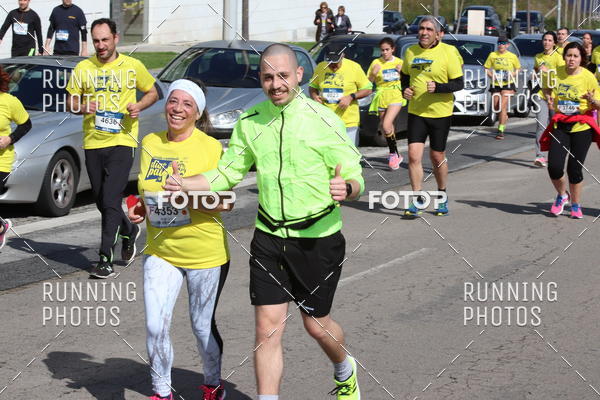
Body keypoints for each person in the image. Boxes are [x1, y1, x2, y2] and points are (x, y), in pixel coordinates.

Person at [163, 43, 365, 400]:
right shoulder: (251, 120)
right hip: (269, 238)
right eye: (268, 77)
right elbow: (228, 172)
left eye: (283, 76)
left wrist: (347, 187)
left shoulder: (325, 119)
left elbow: (354, 175)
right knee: (266, 330)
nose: (276, 84)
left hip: (317, 238)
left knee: (316, 325)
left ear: (299, 75)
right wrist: (187, 183)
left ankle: (344, 367)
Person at [127, 79, 231, 400]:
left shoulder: (211, 148)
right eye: (173, 101)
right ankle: (162, 392)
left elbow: (225, 202)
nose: (178, 109)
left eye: (187, 104)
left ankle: (212, 384)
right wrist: (138, 208)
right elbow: (147, 194)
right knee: (156, 326)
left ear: (197, 113)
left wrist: (186, 195)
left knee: (201, 327)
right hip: (161, 251)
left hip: (205, 253)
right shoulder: (150, 143)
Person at [66, 18, 158, 278]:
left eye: (105, 40)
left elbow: (152, 92)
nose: (101, 45)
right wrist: (83, 106)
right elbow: (70, 101)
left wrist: (138, 106)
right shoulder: (84, 68)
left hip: (122, 141)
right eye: (96, 41)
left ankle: (105, 259)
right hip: (93, 141)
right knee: (101, 201)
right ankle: (129, 230)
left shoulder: (132, 66)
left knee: (110, 199)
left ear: (116, 38)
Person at [401, 16, 463, 216]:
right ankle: (417, 199)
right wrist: (405, 90)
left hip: (440, 113)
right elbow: (404, 76)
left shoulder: (448, 52)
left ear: (437, 34)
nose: (424, 32)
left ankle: (442, 194)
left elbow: (458, 83)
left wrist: (438, 88)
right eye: (422, 28)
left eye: (429, 29)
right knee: (413, 156)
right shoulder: (410, 51)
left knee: (437, 157)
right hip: (416, 112)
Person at [541, 42, 600, 219]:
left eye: (575, 56)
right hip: (560, 124)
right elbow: (546, 89)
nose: (571, 59)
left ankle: (575, 204)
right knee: (554, 167)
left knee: (574, 169)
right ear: (564, 57)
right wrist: (548, 98)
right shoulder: (555, 73)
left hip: (582, 126)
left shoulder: (588, 77)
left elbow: (598, 104)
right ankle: (562, 195)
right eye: (569, 55)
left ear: (581, 59)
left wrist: (592, 101)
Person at [309, 43, 372, 146]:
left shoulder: (354, 67)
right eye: (330, 62)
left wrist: (351, 97)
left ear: (342, 56)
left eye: (336, 62)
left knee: (349, 153)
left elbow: (367, 89)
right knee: (330, 154)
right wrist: (314, 96)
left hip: (348, 122)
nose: (333, 66)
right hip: (327, 120)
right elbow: (312, 86)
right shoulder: (320, 67)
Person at [0, 65, 31, 250]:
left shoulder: (9, 102)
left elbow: (26, 125)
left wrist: (9, 139)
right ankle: (1, 225)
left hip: (1, 161)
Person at [367, 37, 405, 170]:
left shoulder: (399, 62)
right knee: (386, 128)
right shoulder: (376, 62)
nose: (384, 52)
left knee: (386, 124)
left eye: (387, 50)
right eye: (382, 50)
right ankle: (396, 154)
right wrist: (373, 73)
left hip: (395, 95)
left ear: (393, 49)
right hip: (381, 96)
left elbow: (408, 80)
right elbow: (368, 82)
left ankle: (393, 154)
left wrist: (401, 73)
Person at [532, 31, 564, 168]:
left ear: (554, 43)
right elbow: (535, 70)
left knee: (556, 126)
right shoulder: (538, 57)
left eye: (550, 40)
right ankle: (539, 155)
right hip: (542, 95)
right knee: (541, 124)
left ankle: (555, 153)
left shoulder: (558, 57)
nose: (547, 42)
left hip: (555, 96)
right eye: (545, 40)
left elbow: (563, 75)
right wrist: (535, 74)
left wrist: (549, 72)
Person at [483, 36, 521, 140]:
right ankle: (504, 117)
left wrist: (512, 75)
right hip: (496, 84)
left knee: (502, 107)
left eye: (503, 43)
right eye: (499, 43)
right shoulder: (492, 55)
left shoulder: (512, 56)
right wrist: (491, 75)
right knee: (496, 107)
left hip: (508, 84)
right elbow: (486, 68)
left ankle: (501, 130)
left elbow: (518, 68)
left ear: (507, 45)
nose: (501, 45)